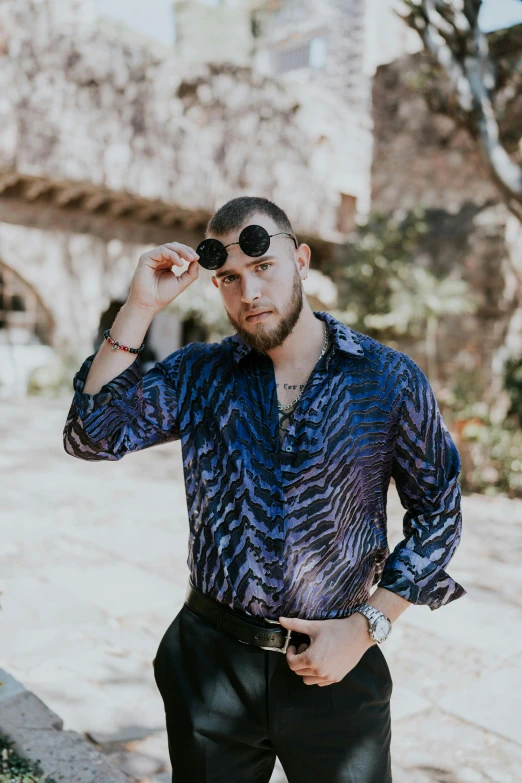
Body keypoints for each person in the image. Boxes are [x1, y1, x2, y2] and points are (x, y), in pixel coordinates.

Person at [63, 196, 467, 783]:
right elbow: (89, 435)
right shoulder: (200, 373)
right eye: (228, 278)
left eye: (263, 268)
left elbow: (439, 513)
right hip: (211, 667)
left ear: (300, 260)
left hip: (337, 668)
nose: (248, 292)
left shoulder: (387, 379)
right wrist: (140, 307)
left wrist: (368, 626)